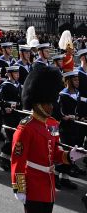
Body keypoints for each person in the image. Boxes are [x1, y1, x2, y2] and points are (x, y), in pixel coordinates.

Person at [11, 66, 86, 213]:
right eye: (48, 103)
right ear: (37, 103)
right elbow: (17, 161)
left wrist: (70, 155)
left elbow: (55, 151)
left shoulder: (52, 123)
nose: (52, 106)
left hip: (49, 184)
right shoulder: (26, 128)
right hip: (32, 185)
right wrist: (19, 188)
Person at [56, 70, 81, 189]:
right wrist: (64, 117)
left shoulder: (77, 93)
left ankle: (65, 178)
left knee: (73, 152)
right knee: (65, 152)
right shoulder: (62, 94)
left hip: (75, 127)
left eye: (78, 80)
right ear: (69, 81)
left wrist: (80, 117)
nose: (77, 82)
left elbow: (78, 110)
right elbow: (58, 111)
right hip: (65, 128)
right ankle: (56, 176)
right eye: (75, 80)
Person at [0, 66, 22, 171]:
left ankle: (8, 157)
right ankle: (3, 157)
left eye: (18, 73)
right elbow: (1, 100)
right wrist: (6, 107)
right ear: (10, 74)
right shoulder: (5, 86)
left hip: (17, 114)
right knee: (10, 136)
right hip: (8, 115)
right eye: (15, 73)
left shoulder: (18, 85)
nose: (17, 75)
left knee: (15, 137)